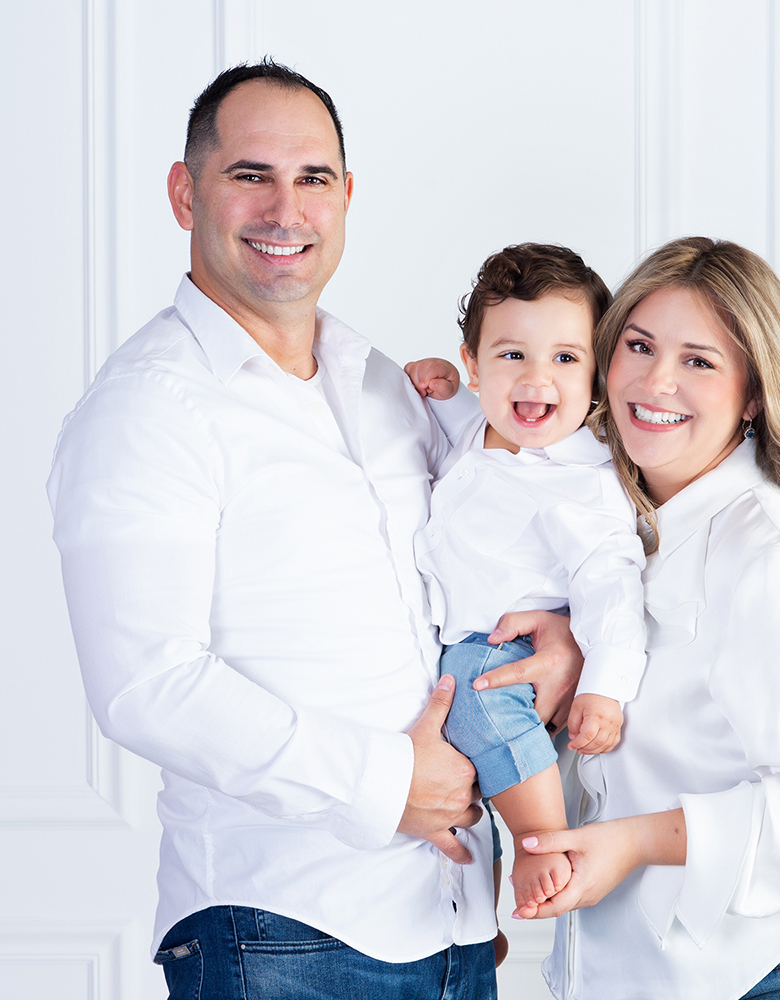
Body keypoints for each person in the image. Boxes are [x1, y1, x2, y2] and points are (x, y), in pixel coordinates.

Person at [46, 60, 580, 1000]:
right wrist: (385, 781)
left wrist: (559, 638)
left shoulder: (380, 382)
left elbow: (487, 546)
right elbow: (146, 683)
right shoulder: (149, 407)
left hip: (454, 928)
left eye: (313, 178)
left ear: (346, 197)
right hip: (281, 933)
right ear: (185, 193)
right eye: (250, 174)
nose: (285, 209)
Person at [483, 237, 780, 999]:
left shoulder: (771, 547)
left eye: (699, 361)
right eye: (639, 346)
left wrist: (630, 844)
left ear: (753, 395)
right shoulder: (609, 535)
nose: (657, 380)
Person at [406, 244, 647, 916]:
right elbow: (470, 431)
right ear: (474, 363)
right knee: (465, 772)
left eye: (565, 359)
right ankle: (481, 912)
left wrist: (604, 687)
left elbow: (613, 587)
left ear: (597, 376)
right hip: (454, 643)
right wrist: (439, 392)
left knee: (480, 711)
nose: (537, 378)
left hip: (503, 648)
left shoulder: (583, 481)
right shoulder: (480, 429)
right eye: (513, 354)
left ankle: (541, 842)